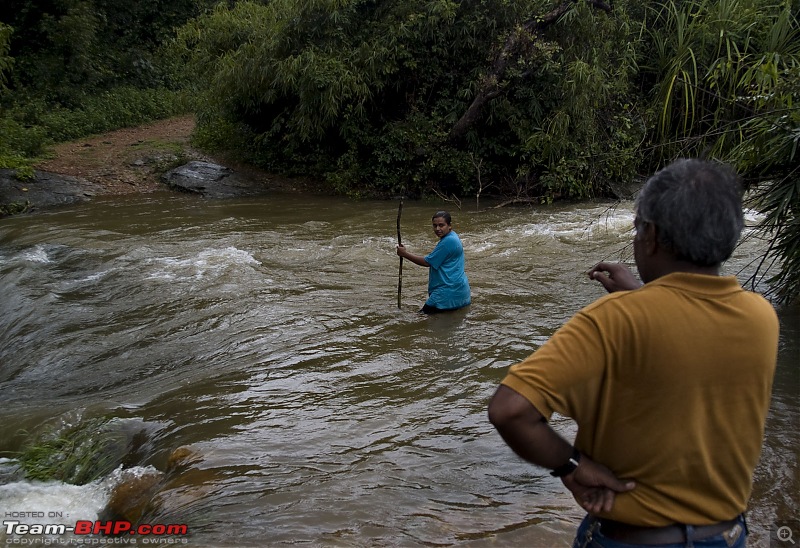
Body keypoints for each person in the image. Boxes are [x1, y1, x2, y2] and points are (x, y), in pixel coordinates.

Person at [487, 159, 779, 547]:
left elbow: (509, 411)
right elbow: (686, 327)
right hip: (727, 535)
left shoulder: (611, 320)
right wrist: (640, 293)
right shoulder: (761, 316)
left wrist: (572, 466)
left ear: (653, 235)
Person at [396, 210, 471, 314]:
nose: (437, 229)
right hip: (458, 292)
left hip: (445, 294)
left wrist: (405, 254)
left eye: (441, 225)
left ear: (450, 226)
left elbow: (427, 262)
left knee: (418, 322)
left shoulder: (448, 241)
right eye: (435, 226)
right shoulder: (452, 237)